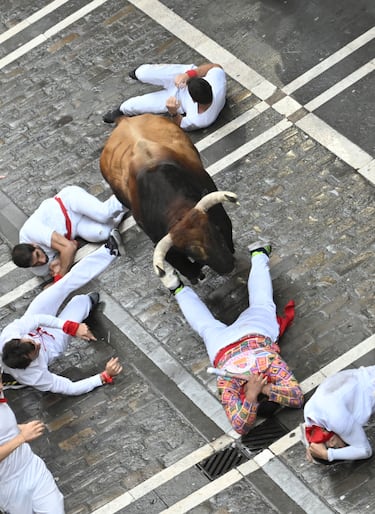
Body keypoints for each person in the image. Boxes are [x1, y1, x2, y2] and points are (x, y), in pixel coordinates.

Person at [158, 242, 304, 435]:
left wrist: (255, 393)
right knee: (206, 326)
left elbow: (294, 397)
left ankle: (259, 254)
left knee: (261, 304)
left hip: (252, 333)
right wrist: (257, 392)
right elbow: (296, 399)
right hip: (225, 345)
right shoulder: (236, 379)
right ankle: (177, 289)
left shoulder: (266, 365)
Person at [0, 230, 124, 395]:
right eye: (35, 349)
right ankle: (86, 303)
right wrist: (104, 376)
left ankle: (109, 251)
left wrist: (71, 327)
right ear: (29, 361)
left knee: (61, 286)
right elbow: (70, 388)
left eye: (30, 341)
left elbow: (37, 319)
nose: (36, 343)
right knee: (81, 301)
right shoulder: (36, 376)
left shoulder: (10, 334)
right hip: (52, 343)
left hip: (33, 324)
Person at [12, 185, 127, 281]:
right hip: (75, 227)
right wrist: (60, 259)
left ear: (33, 245)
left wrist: (59, 277)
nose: (42, 261)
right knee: (103, 233)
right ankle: (124, 204)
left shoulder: (31, 231)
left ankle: (130, 189)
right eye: (36, 264)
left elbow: (69, 248)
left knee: (104, 214)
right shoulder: (39, 270)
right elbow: (69, 248)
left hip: (69, 203)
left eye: (38, 255)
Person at [0, 367, 65, 514]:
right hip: (7, 485)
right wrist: (22, 437)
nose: (1, 386)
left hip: (31, 466)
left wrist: (17, 428)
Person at [103, 62, 227, 131]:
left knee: (132, 105)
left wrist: (173, 112)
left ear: (194, 100)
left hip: (177, 102)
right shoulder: (216, 81)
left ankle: (121, 110)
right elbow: (215, 66)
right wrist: (189, 75)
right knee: (142, 72)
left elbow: (180, 123)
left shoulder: (200, 120)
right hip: (181, 76)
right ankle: (138, 72)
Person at [303, 366, 375, 462]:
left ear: (332, 442)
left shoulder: (336, 420)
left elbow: (365, 451)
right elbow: (311, 438)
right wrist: (311, 446)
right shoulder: (308, 411)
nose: (345, 445)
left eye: (343, 447)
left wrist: (327, 455)